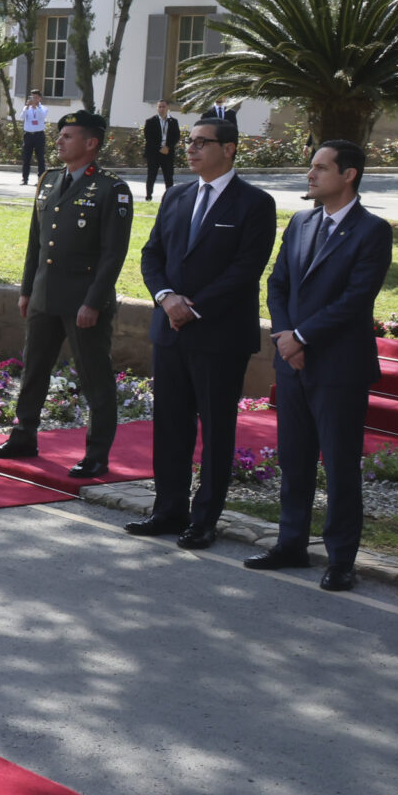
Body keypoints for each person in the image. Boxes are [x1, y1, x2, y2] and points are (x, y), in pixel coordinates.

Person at [243, 140, 394, 590]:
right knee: (295, 460)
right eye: (311, 167)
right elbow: (278, 282)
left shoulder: (372, 231)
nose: (310, 175)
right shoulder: (301, 222)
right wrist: (286, 337)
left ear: (349, 175)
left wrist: (304, 337)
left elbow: (356, 298)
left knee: (341, 466)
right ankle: (291, 543)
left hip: (338, 368)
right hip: (294, 364)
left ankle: (340, 558)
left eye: (321, 168)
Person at [131, 117, 277, 542]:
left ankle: (204, 519)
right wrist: (165, 298)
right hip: (170, 331)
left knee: (216, 429)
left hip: (219, 335)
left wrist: (193, 308)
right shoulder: (176, 196)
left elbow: (246, 269)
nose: (190, 149)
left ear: (229, 149)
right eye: (189, 142)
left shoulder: (254, 203)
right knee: (170, 425)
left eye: (201, 142)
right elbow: (151, 254)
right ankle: (168, 510)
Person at [0, 110, 135, 476]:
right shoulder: (50, 180)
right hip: (45, 295)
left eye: (67, 136)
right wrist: (26, 290)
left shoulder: (111, 188)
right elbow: (35, 242)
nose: (58, 141)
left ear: (91, 143)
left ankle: (96, 454)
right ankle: (24, 435)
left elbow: (113, 253)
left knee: (94, 376)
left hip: (83, 300)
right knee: (34, 367)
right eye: (60, 136)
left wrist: (93, 301)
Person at [141, 98, 181, 203]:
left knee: (168, 176)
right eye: (159, 107)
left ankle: (169, 196)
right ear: (157, 108)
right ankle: (148, 196)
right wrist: (160, 148)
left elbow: (176, 136)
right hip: (154, 153)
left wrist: (167, 147)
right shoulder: (150, 121)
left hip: (168, 153)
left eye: (163, 106)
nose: (161, 109)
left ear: (168, 108)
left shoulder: (173, 121)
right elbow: (148, 138)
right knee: (151, 175)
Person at [19, 91, 50, 184]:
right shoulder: (26, 108)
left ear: (40, 98)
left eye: (36, 97)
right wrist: (27, 108)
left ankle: (40, 180)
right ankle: (25, 179)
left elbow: (42, 116)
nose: (34, 99)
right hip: (28, 135)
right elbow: (21, 117)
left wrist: (35, 107)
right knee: (26, 158)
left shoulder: (43, 108)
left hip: (39, 135)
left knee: (40, 158)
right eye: (32, 97)